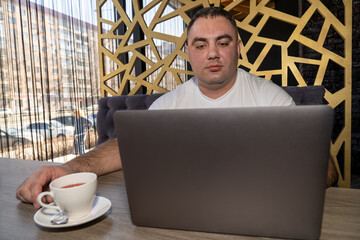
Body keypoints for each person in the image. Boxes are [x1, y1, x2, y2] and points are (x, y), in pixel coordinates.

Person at [16, 7, 338, 209]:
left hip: (256, 209)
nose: (212, 53)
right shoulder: (169, 104)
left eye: (223, 43)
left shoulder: (271, 98)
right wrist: (71, 169)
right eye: (201, 45)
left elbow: (326, 171)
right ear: (188, 52)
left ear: (238, 48)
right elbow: (124, 147)